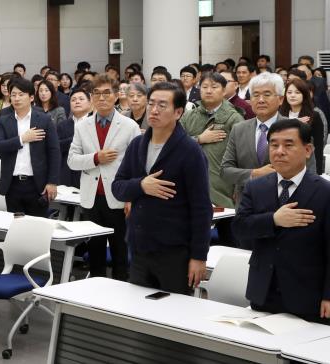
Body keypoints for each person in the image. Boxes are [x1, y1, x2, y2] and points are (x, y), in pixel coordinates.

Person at [112, 82, 212, 294]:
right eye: (151, 104)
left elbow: (202, 208)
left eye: (162, 105)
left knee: (173, 317)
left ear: (178, 112)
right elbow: (118, 187)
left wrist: (199, 256)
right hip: (139, 246)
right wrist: (141, 185)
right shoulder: (137, 144)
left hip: (174, 251)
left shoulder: (190, 151)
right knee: (139, 313)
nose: (154, 110)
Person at [233, 119, 330, 324]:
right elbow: (240, 228)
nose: (279, 151)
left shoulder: (324, 192)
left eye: (288, 145)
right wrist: (274, 220)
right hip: (263, 291)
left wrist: (328, 295)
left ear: (307, 150)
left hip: (307, 296)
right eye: (274, 145)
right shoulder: (256, 187)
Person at [68, 75, 140, 280]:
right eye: (96, 93)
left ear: (117, 96)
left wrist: (131, 197)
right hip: (92, 198)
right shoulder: (83, 125)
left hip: (118, 198)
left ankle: (120, 298)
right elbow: (72, 160)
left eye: (107, 93)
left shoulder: (129, 126)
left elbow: (137, 166)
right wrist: (95, 158)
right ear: (92, 98)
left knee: (120, 252)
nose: (102, 98)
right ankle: (97, 294)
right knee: (96, 252)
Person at [221, 72, 316, 217]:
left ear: (280, 99)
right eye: (255, 95)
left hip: (288, 208)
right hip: (247, 209)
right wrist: (254, 174)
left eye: (267, 94)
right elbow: (225, 171)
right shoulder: (238, 129)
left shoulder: (296, 128)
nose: (260, 100)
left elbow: (310, 172)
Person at [0, 78, 60, 217]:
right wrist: (22, 139)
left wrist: (52, 182)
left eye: (21, 94)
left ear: (31, 97)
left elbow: (54, 152)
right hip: (13, 184)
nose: (16, 98)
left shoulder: (44, 119)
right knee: (16, 227)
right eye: (13, 95)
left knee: (38, 226)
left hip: (37, 184)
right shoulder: (4, 119)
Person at [181, 72, 245, 210]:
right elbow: (174, 144)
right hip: (189, 184)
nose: (209, 91)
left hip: (222, 188)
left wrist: (238, 188)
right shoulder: (189, 116)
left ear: (223, 91)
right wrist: (199, 139)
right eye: (204, 87)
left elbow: (242, 157)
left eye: (214, 87)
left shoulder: (234, 118)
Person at [280, 78, 325, 173]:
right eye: (289, 92)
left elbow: (318, 146)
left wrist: (318, 171)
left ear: (304, 95)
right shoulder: (280, 114)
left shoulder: (314, 116)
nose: (292, 95)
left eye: (297, 92)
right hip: (282, 162)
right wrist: (292, 122)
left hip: (306, 164)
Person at [57, 88, 91, 188]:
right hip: (66, 173)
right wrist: (76, 139)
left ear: (89, 103)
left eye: (81, 99)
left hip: (88, 172)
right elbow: (57, 147)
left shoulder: (95, 123)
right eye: (73, 100)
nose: (77, 102)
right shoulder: (63, 125)